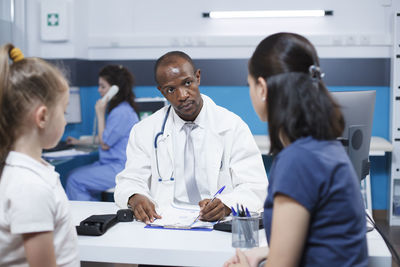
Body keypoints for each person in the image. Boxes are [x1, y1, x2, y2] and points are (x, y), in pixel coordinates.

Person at [224, 33, 368, 267]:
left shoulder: (297, 160)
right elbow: (318, 236)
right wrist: (264, 251)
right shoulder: (321, 147)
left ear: (262, 88)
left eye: (249, 84)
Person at [114, 51, 268, 223]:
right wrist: (135, 196)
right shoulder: (144, 130)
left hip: (217, 226)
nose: (182, 95)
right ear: (162, 92)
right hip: (163, 224)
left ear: (198, 77)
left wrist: (226, 204)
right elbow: (129, 180)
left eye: (187, 83)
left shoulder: (232, 126)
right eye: (171, 89)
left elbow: (256, 186)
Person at [0, 44, 79, 266]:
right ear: (42, 117)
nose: (64, 120)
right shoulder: (29, 186)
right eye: (63, 112)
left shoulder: (31, 173)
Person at [65, 65, 139, 201]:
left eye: (103, 86)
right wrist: (78, 142)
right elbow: (104, 137)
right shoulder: (121, 110)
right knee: (73, 175)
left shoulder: (121, 112)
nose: (99, 90)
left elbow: (104, 143)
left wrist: (99, 113)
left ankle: (85, 217)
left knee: (74, 180)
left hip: (119, 168)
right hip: (111, 164)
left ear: (114, 90)